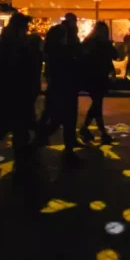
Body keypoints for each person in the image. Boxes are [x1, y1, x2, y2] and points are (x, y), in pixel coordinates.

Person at [0, 13, 41, 170]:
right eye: (24, 28)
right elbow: (15, 70)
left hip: (5, 93)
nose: (26, 31)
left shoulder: (3, 44)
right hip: (13, 93)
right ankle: (21, 163)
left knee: (4, 127)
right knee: (18, 128)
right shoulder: (14, 47)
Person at [33, 13, 82, 159]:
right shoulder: (62, 50)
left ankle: (43, 139)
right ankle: (42, 140)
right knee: (62, 117)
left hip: (59, 85)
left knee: (57, 115)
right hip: (65, 86)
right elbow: (70, 62)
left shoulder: (55, 48)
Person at [80, 21, 118, 145]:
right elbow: (114, 55)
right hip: (100, 77)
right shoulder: (105, 43)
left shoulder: (87, 41)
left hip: (88, 76)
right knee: (97, 104)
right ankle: (96, 131)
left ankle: (91, 130)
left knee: (96, 104)